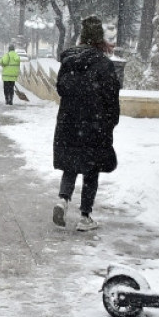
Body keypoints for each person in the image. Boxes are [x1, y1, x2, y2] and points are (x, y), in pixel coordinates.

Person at [53, 16, 120, 232]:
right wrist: (110, 122)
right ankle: (85, 216)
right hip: (94, 124)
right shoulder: (104, 65)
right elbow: (111, 98)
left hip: (69, 122)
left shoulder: (68, 61)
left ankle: (63, 200)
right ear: (100, 39)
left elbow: (61, 88)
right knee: (91, 170)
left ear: (82, 37)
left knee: (71, 165)